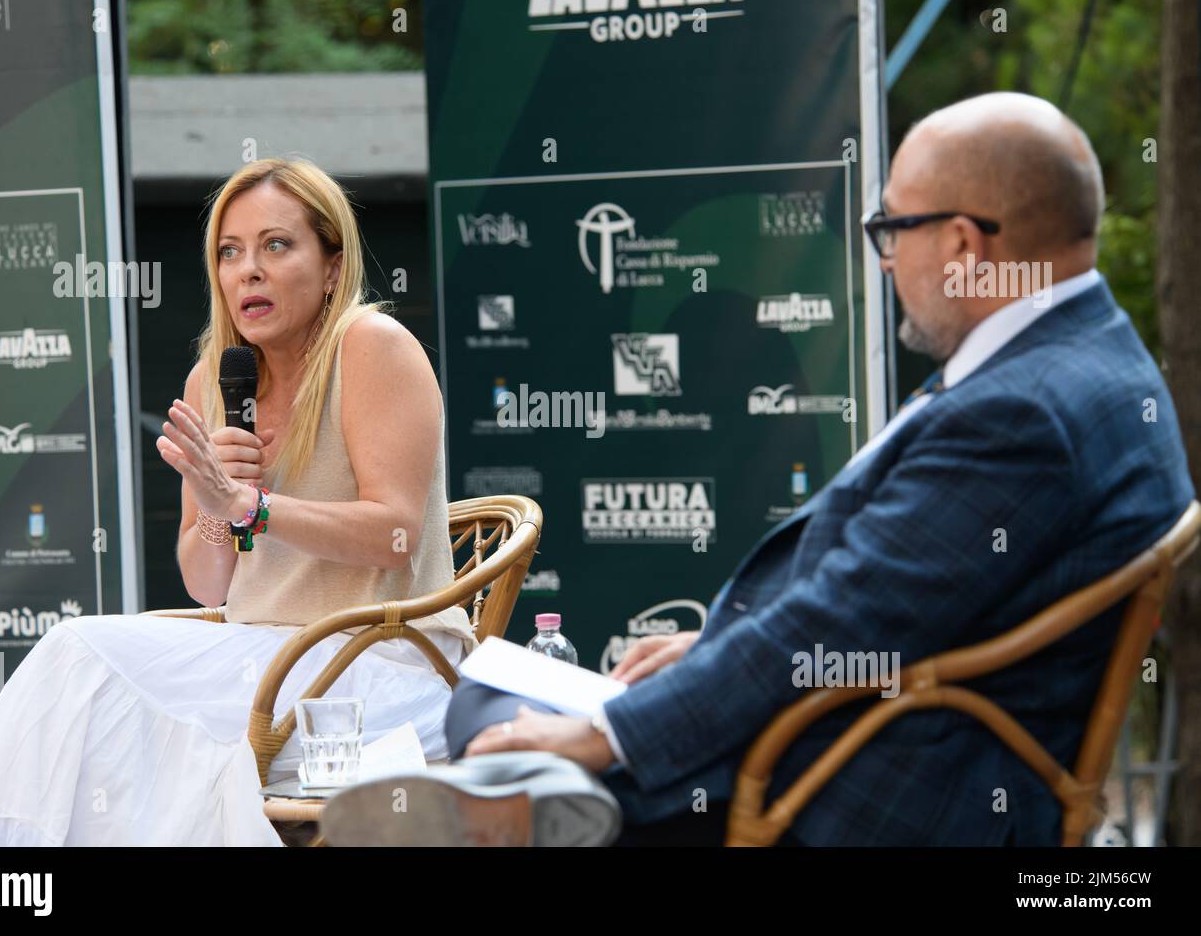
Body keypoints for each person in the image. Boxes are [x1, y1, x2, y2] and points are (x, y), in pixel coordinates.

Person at [319, 92, 1195, 846]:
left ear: (964, 243)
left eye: (892, 229)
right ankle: (519, 805)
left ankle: (524, 808)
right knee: (488, 696)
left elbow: (844, 622)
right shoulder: (1094, 357)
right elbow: (908, 607)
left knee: (489, 724)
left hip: (850, 789)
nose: (884, 261)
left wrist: (611, 736)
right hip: (874, 730)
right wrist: (714, 650)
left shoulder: (1026, 412)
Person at [0, 158, 474, 846]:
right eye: (229, 252)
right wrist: (216, 505)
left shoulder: (373, 347)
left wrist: (255, 508)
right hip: (259, 658)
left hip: (381, 666)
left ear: (332, 264)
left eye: (276, 245)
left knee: (109, 695)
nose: (249, 271)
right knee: (79, 663)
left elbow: (394, 535)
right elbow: (208, 582)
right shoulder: (214, 377)